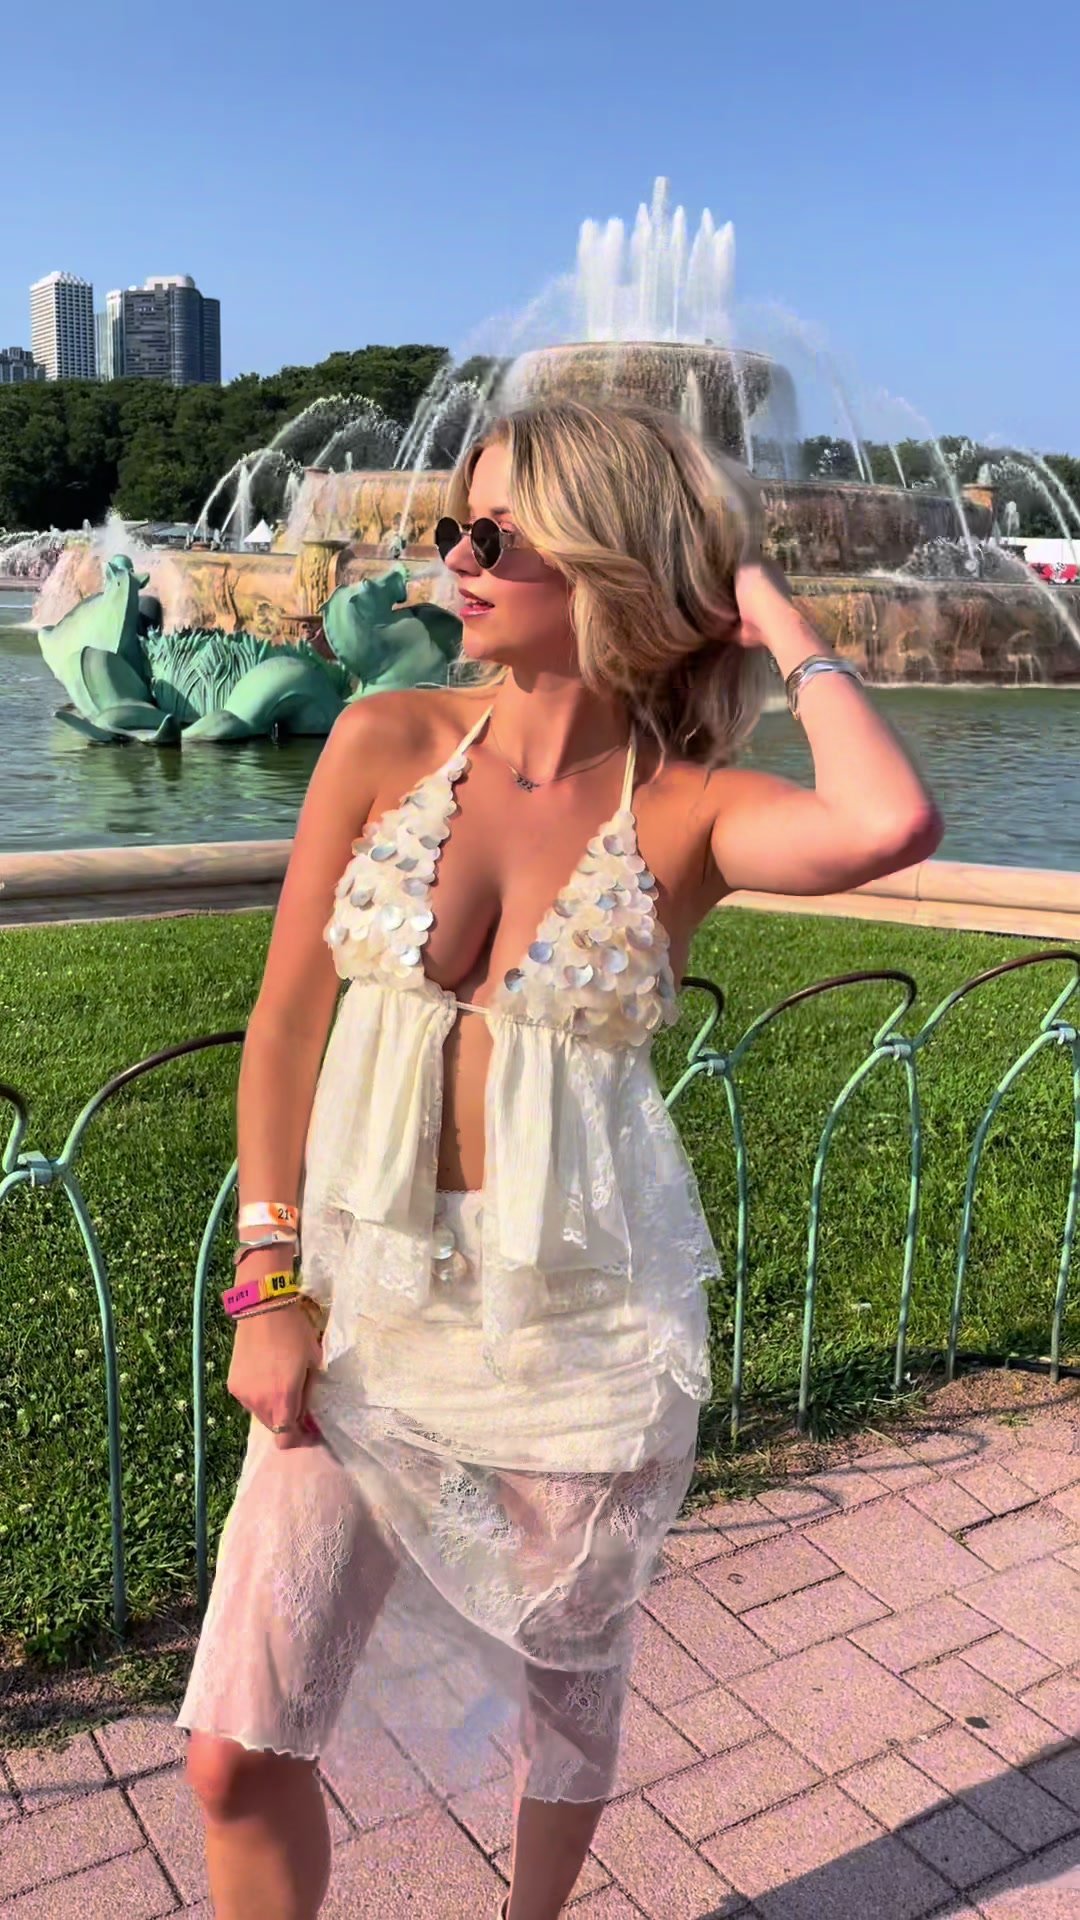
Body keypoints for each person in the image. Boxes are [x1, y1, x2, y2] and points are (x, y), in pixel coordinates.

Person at [179, 398, 943, 1920]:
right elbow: (283, 1025)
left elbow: (890, 819)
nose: (455, 559)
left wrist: (767, 607)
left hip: (580, 1329)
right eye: (454, 527)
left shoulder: (691, 810)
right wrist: (271, 1274)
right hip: (366, 1308)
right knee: (233, 1748)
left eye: (498, 534)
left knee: (566, 1705)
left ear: (610, 562)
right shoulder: (387, 739)